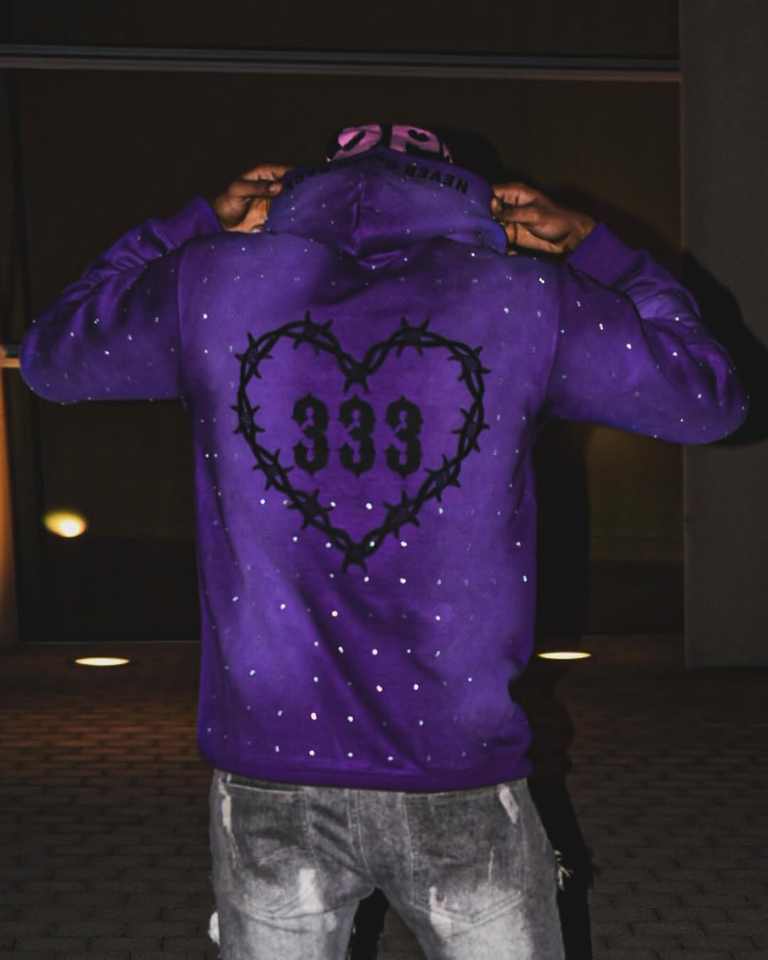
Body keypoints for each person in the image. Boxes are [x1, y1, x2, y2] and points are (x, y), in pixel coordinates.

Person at [19, 122, 748, 960]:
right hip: (459, 765)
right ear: (467, 198)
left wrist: (192, 224)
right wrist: (594, 246)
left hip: (273, 765)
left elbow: (53, 356)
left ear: (301, 191)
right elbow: (707, 397)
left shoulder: (211, 283)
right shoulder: (525, 298)